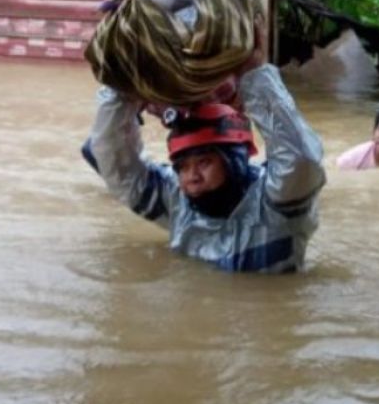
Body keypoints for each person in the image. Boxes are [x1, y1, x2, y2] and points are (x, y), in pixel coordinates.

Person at [82, 50, 326, 274]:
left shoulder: (276, 203)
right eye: (183, 167)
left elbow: (301, 157)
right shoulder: (178, 199)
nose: (192, 177)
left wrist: (255, 72)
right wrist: (124, 91)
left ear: (236, 162)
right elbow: (109, 157)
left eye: (204, 162)